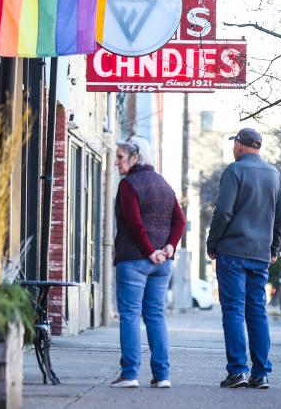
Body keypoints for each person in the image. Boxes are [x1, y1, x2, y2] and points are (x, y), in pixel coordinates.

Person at [206, 127, 281, 391]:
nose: (233, 148)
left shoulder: (234, 171)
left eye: (234, 144)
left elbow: (223, 212)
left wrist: (212, 242)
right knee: (257, 312)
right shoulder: (275, 175)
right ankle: (261, 373)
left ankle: (238, 371)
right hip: (260, 254)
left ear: (240, 145)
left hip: (232, 252)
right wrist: (273, 249)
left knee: (233, 311)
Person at [110, 136, 186, 389]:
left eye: (120, 157)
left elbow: (134, 223)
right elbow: (180, 221)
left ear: (135, 157)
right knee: (155, 315)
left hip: (134, 260)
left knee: (130, 315)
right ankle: (162, 375)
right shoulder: (164, 184)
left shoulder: (128, 185)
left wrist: (149, 250)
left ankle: (130, 374)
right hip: (161, 263)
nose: (117, 163)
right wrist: (169, 247)